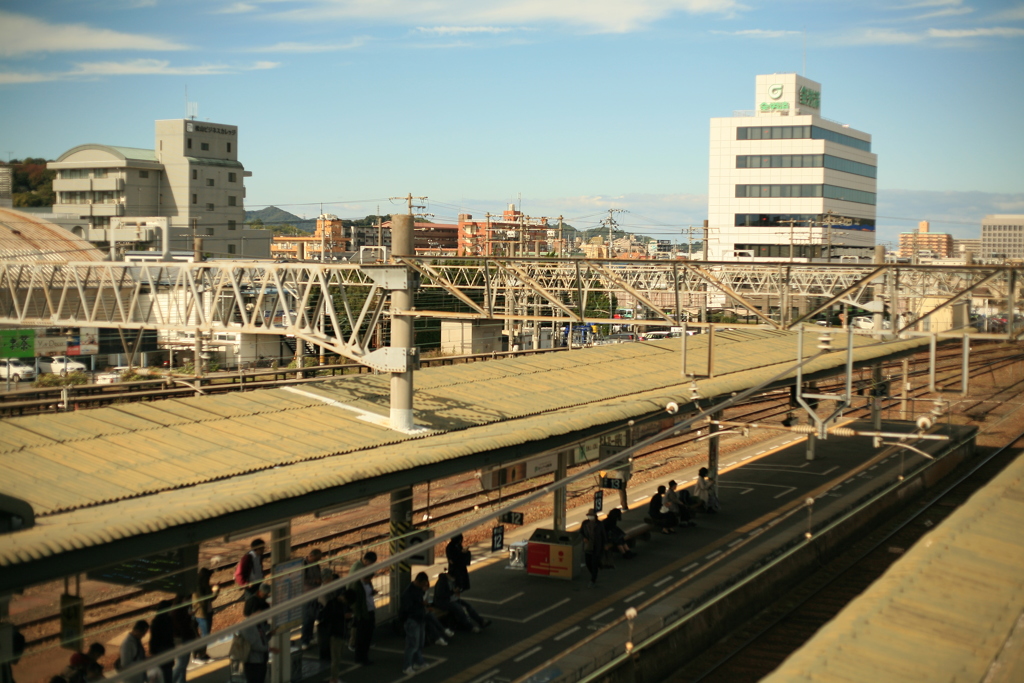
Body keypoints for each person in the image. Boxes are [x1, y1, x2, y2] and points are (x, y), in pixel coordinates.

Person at [239, 590, 277, 683]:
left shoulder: (258, 624)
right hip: (252, 663)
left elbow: (261, 640)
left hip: (261, 660)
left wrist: (270, 635)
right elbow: (255, 645)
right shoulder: (247, 626)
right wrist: (269, 649)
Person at [319, 588, 355, 683]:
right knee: (336, 658)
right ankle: (334, 679)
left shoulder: (336, 604)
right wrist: (344, 617)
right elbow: (328, 617)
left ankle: (335, 677)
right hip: (335, 634)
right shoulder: (333, 604)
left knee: (337, 657)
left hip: (339, 633)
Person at [348, 552, 377, 665]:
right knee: (361, 636)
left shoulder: (367, 584)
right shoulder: (357, 585)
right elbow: (357, 602)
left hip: (368, 611)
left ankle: (362, 655)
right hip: (362, 613)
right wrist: (358, 614)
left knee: (366, 635)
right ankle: (358, 654)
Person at [400, 572, 430, 676]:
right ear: (419, 582)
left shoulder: (419, 590)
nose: (424, 586)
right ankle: (407, 666)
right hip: (412, 620)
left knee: (420, 642)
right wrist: (421, 603)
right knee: (412, 644)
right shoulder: (408, 593)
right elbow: (408, 608)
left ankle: (418, 661)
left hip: (420, 618)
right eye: (423, 584)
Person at [192, 556, 220, 662]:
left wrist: (215, 591)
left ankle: (200, 653)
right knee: (205, 635)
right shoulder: (198, 587)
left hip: (207, 612)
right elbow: (204, 600)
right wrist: (213, 591)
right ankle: (200, 655)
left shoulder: (204, 585)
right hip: (201, 613)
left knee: (205, 634)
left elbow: (210, 599)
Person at [301, 548, 324, 648]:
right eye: (316, 559)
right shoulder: (304, 565)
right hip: (307, 594)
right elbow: (302, 580)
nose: (317, 561)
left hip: (315, 593)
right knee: (307, 618)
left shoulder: (315, 564)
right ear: (311, 556)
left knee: (312, 617)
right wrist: (315, 581)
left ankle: (309, 638)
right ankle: (305, 641)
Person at [169, 595, 195, 683]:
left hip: (185, 637)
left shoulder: (184, 608)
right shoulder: (176, 611)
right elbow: (180, 626)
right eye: (187, 598)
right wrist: (188, 616)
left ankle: (181, 681)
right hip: (180, 639)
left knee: (184, 664)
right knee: (181, 664)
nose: (190, 600)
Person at [148, 600, 175, 683]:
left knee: (163, 675)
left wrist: (152, 651)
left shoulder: (156, 622)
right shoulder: (169, 621)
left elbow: (153, 640)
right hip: (166, 650)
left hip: (160, 651)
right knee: (167, 674)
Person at [580, 508, 607, 587]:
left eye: (591, 515)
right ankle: (594, 574)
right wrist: (584, 538)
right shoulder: (585, 523)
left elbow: (603, 535)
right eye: (589, 515)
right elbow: (581, 532)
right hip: (588, 546)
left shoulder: (599, 524)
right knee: (588, 563)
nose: (590, 517)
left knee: (594, 563)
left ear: (595, 516)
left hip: (597, 546)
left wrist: (605, 544)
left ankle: (593, 579)